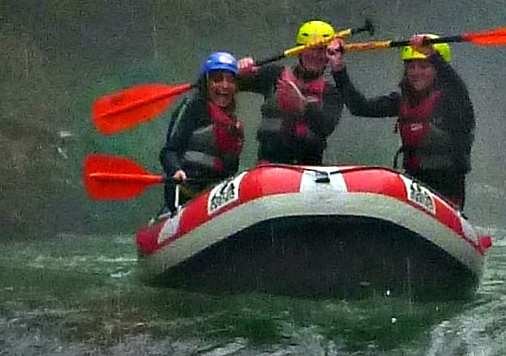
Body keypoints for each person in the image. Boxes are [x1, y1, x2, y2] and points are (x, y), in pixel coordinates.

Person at [257, 19, 391, 169]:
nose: (315, 55)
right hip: (268, 166)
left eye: (321, 50)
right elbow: (230, 84)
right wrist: (241, 68)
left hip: (309, 170)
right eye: (311, 49)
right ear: (299, 51)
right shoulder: (273, 75)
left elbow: (325, 126)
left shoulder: (331, 93)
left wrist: (302, 105)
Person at [158, 51, 254, 212]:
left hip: (215, 198)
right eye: (217, 79)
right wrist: (176, 170)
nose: (224, 85)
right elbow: (168, 152)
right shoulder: (192, 108)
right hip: (185, 193)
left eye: (230, 80)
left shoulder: (234, 124)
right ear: (206, 83)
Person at [392, 39, 475, 206]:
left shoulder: (453, 102)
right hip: (415, 187)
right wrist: (339, 69)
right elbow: (360, 107)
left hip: (447, 190)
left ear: (438, 70)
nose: (416, 72)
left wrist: (432, 54)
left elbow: (457, 87)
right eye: (411, 67)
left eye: (424, 66)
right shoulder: (401, 101)